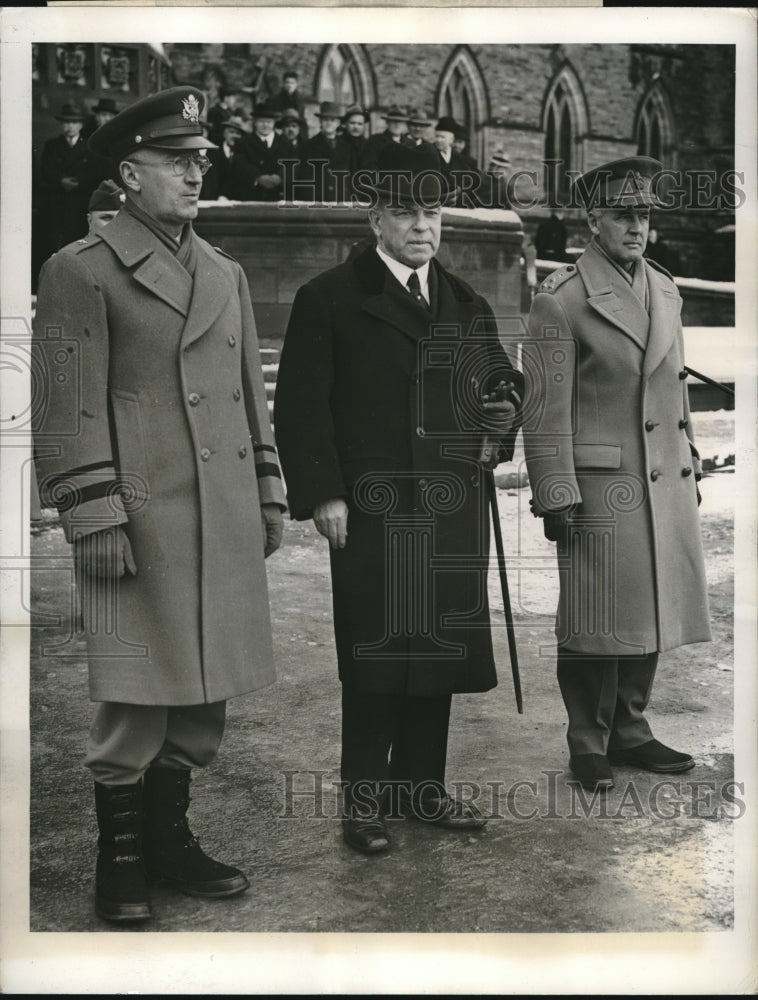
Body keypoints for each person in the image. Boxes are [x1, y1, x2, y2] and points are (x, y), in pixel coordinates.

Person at [32, 86, 286, 923]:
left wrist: (267, 491)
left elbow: (251, 397)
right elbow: (67, 406)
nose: (195, 173)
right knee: (136, 692)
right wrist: (92, 511)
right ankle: (123, 857)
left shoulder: (225, 271)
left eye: (201, 160)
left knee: (202, 687)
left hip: (218, 514)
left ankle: (170, 840)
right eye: (177, 161)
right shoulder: (80, 270)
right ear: (129, 174)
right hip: (137, 517)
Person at [274, 142, 523, 855]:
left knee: (435, 648)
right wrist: (323, 493)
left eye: (433, 212)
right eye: (407, 213)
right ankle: (364, 802)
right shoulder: (328, 298)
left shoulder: (465, 300)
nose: (423, 226)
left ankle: (421, 790)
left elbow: (499, 380)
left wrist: (503, 410)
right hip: (374, 505)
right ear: (376, 220)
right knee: (378, 650)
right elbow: (301, 408)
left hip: (449, 502)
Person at [522, 156, 711, 793]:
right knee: (593, 616)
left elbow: (673, 389)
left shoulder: (663, 287)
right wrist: (554, 490)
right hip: (600, 486)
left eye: (645, 215)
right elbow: (544, 409)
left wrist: (691, 458)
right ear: (593, 220)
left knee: (650, 605)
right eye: (624, 215)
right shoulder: (562, 300)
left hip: (663, 477)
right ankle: (586, 739)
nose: (637, 227)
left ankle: (631, 728)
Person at [38, 101, 101, 258]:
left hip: (80, 202)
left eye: (74, 122)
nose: (70, 126)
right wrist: (61, 181)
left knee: (79, 241)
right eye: (66, 122)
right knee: (56, 244)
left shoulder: (89, 146)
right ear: (61, 124)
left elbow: (95, 172)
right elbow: (46, 170)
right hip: (57, 202)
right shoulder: (52, 145)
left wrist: (79, 182)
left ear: (81, 125)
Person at [299, 101, 352, 202]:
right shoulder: (309, 146)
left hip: (341, 199)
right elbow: (305, 177)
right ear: (320, 121)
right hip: (319, 199)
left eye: (333, 120)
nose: (329, 123)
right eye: (325, 120)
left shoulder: (346, 147)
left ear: (338, 123)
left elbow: (350, 176)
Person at [202, 114, 259, 201]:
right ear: (224, 133)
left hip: (240, 200)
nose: (235, 136)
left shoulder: (246, 153)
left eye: (238, 134)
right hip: (215, 200)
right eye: (231, 132)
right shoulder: (212, 152)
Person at [247, 101, 288, 201]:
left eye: (269, 122)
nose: (265, 125)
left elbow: (291, 163)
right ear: (255, 122)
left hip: (278, 195)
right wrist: (258, 177)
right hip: (251, 195)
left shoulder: (285, 143)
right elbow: (241, 164)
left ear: (274, 123)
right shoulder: (244, 142)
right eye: (261, 121)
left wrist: (279, 177)